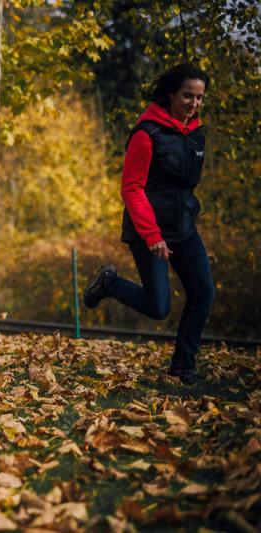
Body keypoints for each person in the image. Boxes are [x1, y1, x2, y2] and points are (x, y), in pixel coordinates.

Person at [83, 62, 215, 385]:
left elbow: (184, 186)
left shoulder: (195, 135)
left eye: (199, 98)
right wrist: (152, 234)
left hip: (184, 229)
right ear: (171, 93)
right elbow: (131, 188)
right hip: (148, 232)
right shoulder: (147, 133)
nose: (194, 104)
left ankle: (183, 368)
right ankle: (109, 283)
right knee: (158, 308)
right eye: (187, 96)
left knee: (203, 292)